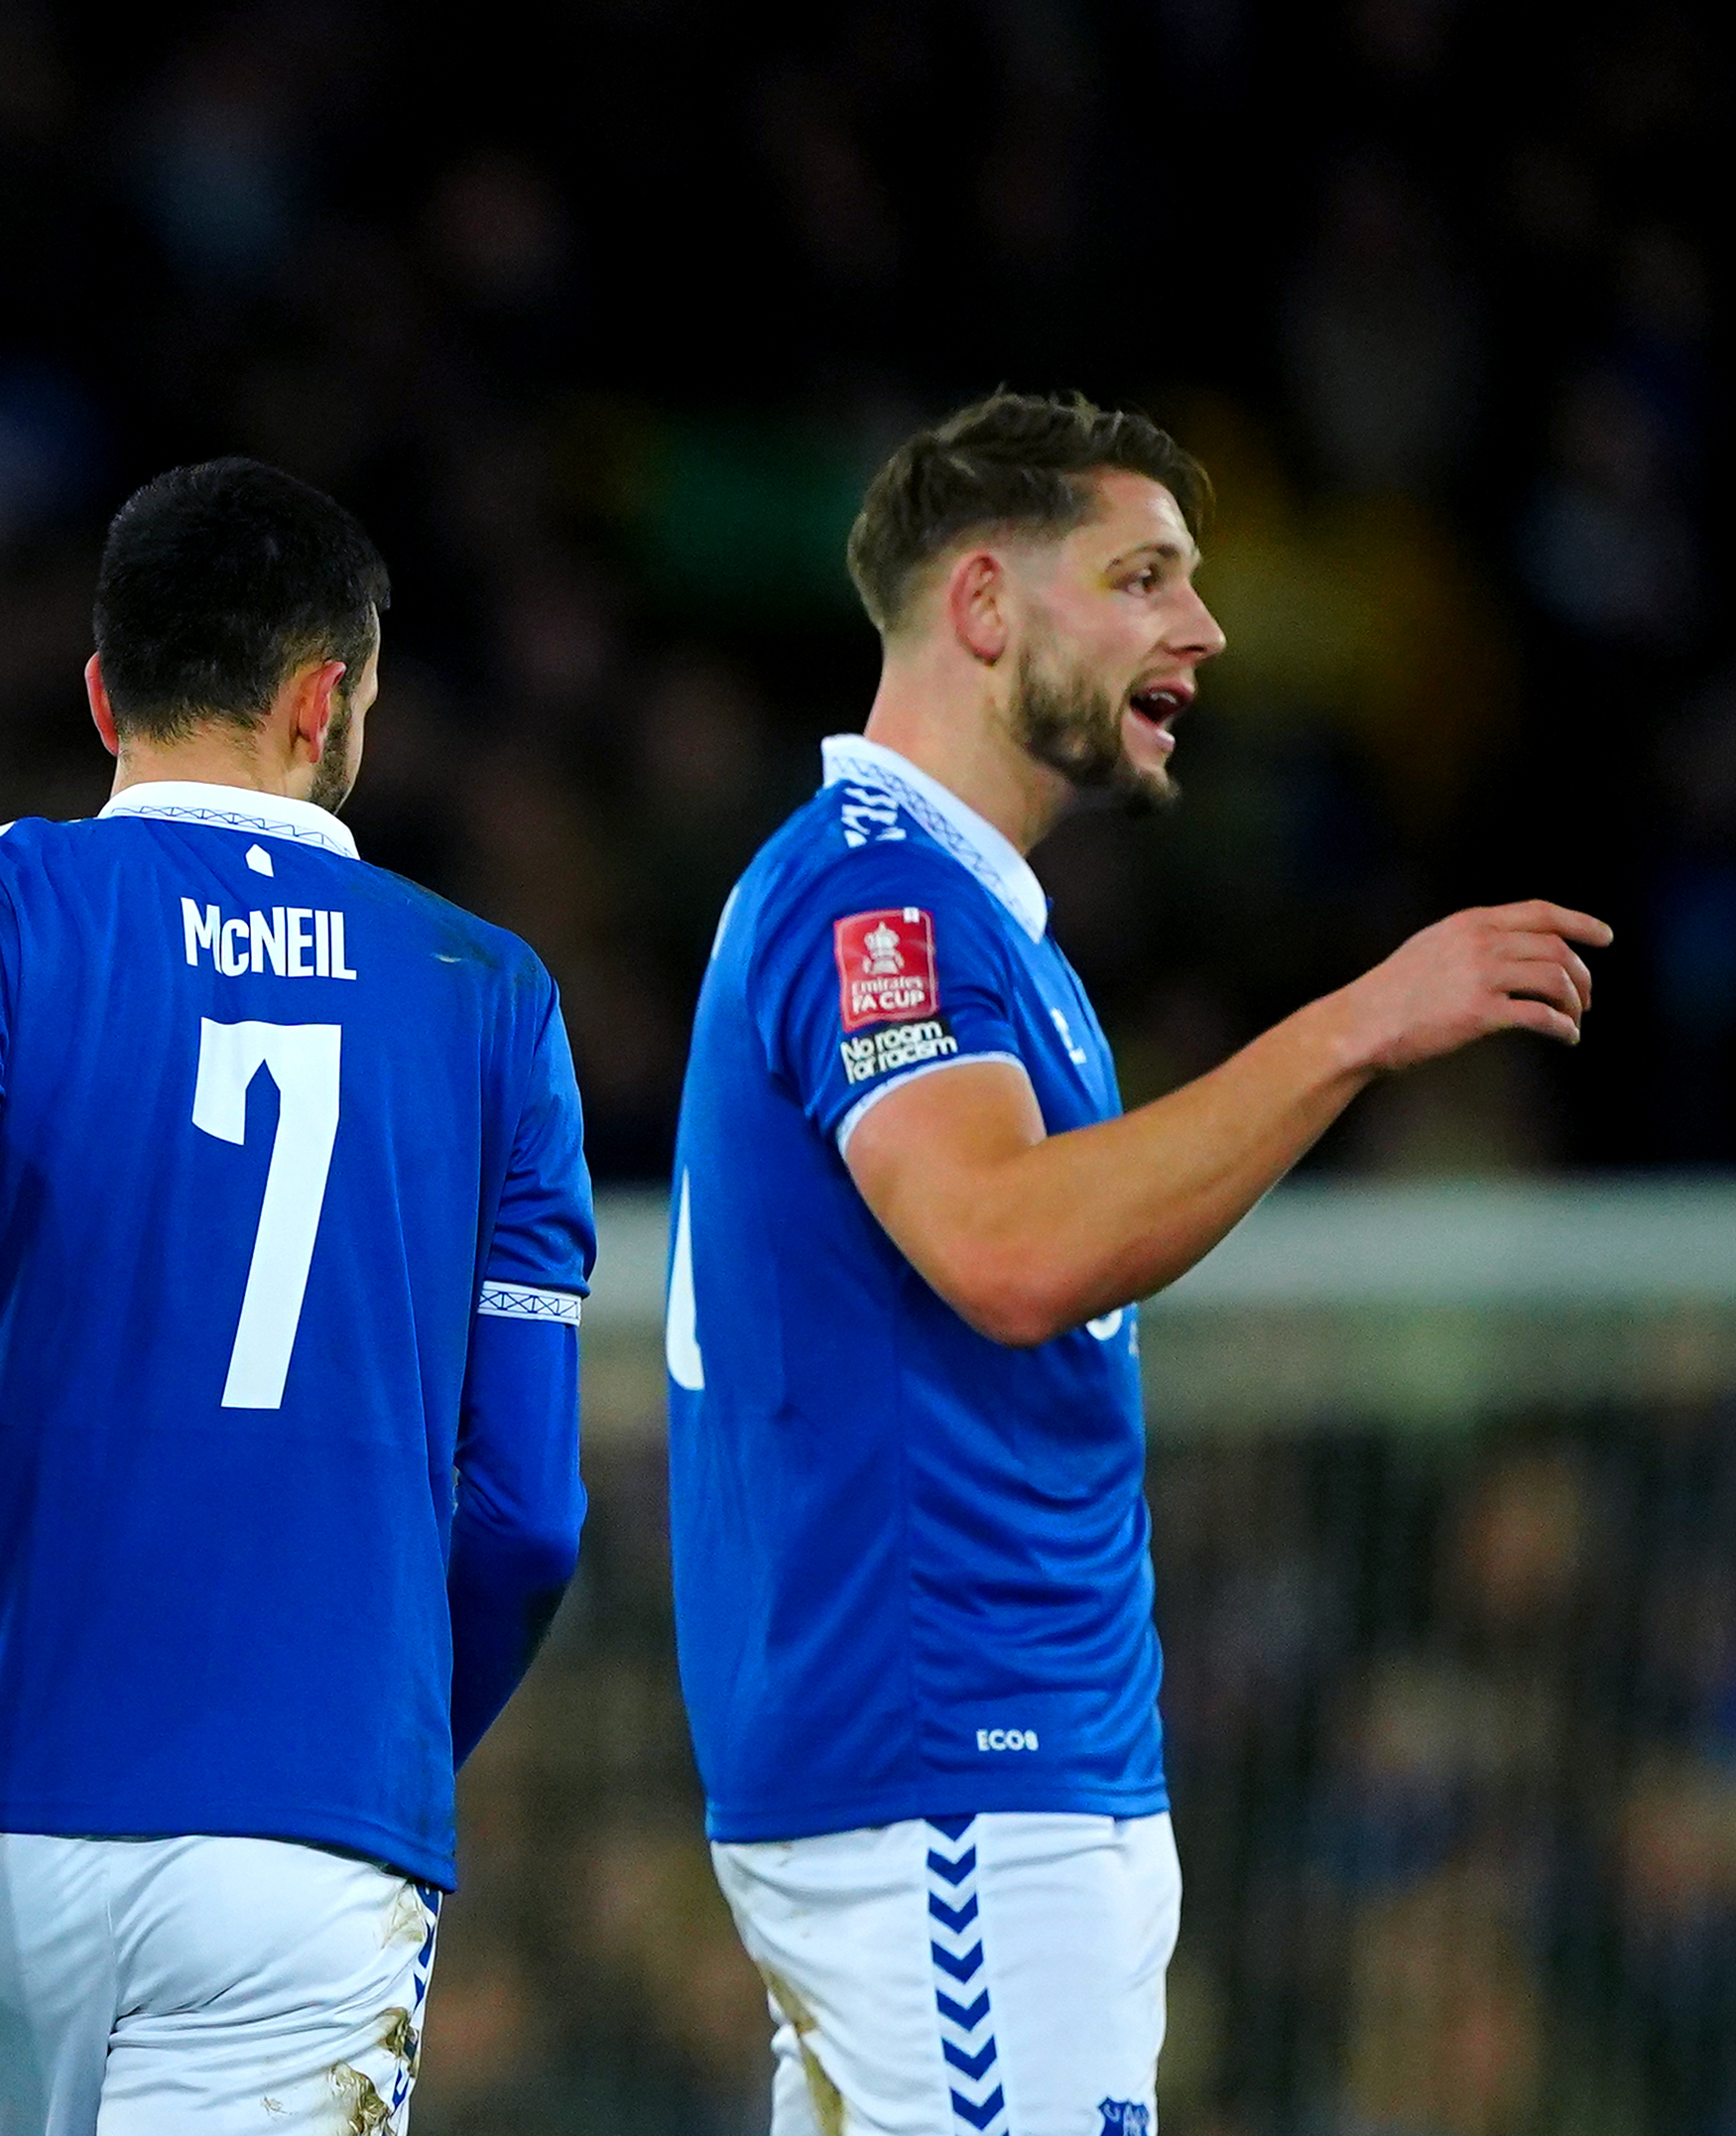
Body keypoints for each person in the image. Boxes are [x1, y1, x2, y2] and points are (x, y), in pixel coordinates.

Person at [665, 390, 1608, 2136]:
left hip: (987, 1768)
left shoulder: (964, 922)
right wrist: (1354, 1029)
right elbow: (1009, 1247)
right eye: (1144, 574)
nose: (1206, 626)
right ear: (984, 605)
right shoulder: (875, 906)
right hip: (959, 1770)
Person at [0, 457, 594, 2134]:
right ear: (324, 696)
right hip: (311, 1818)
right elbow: (525, 1517)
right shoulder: (488, 996)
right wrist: (381, 1735)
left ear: (100, 691)